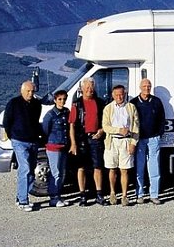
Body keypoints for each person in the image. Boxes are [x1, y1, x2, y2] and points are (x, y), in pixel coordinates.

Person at [3, 80, 42, 212]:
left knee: (30, 170)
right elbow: (6, 122)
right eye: (28, 91)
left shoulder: (37, 104)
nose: (30, 94)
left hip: (33, 141)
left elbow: (36, 121)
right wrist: (13, 136)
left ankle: (20, 196)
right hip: (19, 141)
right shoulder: (13, 103)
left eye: (32, 91)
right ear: (22, 91)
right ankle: (23, 201)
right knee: (24, 168)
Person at [69, 77, 107, 206]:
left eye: (91, 87)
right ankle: (83, 196)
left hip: (96, 138)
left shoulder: (100, 103)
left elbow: (106, 121)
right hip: (81, 139)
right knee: (81, 168)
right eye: (87, 88)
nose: (89, 90)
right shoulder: (76, 104)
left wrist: (101, 130)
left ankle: (99, 195)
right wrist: (73, 143)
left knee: (98, 166)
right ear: (82, 89)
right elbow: (72, 125)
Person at [102, 84, 139, 206]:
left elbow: (136, 126)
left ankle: (124, 196)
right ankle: (112, 193)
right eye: (117, 95)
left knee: (124, 170)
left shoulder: (131, 107)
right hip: (112, 141)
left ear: (125, 94)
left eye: (121, 94)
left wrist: (133, 143)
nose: (119, 97)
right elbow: (105, 126)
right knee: (112, 168)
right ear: (113, 95)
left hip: (126, 141)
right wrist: (118, 130)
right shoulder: (108, 108)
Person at [131, 78, 166, 205]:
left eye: (149, 86)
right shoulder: (134, 102)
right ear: (140, 87)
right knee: (139, 167)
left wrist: (159, 134)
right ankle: (139, 194)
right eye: (144, 86)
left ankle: (154, 195)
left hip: (153, 138)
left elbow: (162, 118)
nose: (147, 88)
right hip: (139, 139)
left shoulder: (156, 101)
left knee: (154, 167)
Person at [41, 89, 70, 208]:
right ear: (55, 100)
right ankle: (53, 197)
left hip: (64, 146)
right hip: (53, 147)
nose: (62, 101)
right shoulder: (50, 115)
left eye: (64, 99)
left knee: (62, 173)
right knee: (55, 173)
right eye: (59, 99)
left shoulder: (66, 112)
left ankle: (58, 195)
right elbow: (45, 130)